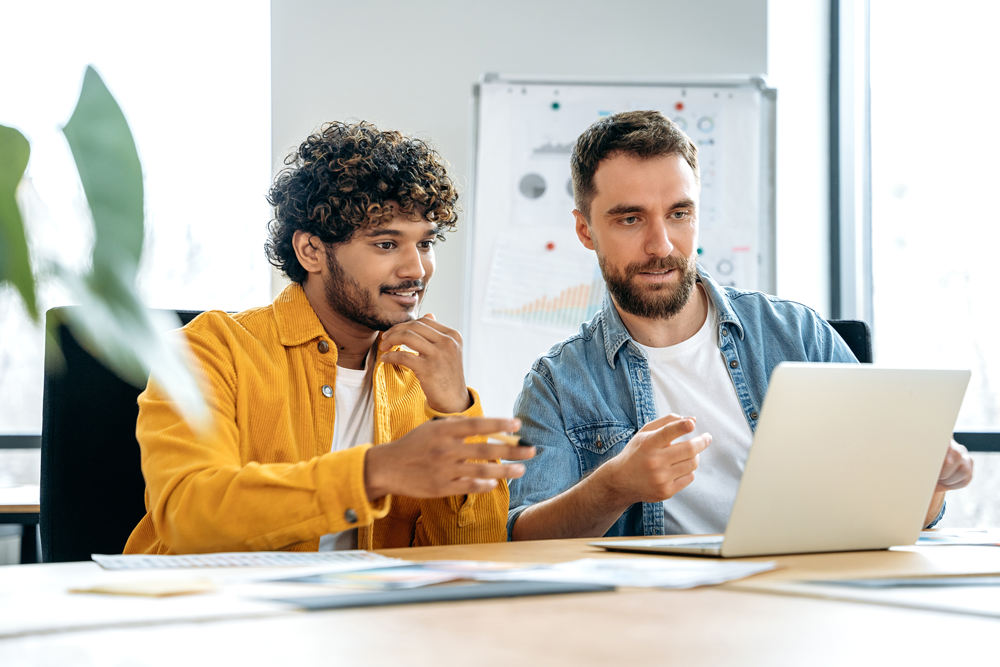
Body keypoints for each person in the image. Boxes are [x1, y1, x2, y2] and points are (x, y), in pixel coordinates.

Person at [507, 110, 972, 541]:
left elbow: (898, 513)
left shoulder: (796, 334)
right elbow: (522, 539)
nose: (661, 244)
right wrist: (612, 487)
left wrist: (927, 481)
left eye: (679, 214)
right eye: (630, 219)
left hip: (801, 598)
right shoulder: (557, 385)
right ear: (586, 230)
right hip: (657, 614)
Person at [125, 121, 533, 555]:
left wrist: (455, 410)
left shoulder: (423, 379)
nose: (417, 270)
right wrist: (373, 473)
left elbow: (472, 558)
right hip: (219, 614)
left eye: (426, 244)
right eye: (386, 244)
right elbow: (190, 516)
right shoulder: (208, 350)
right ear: (311, 251)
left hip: (364, 615)